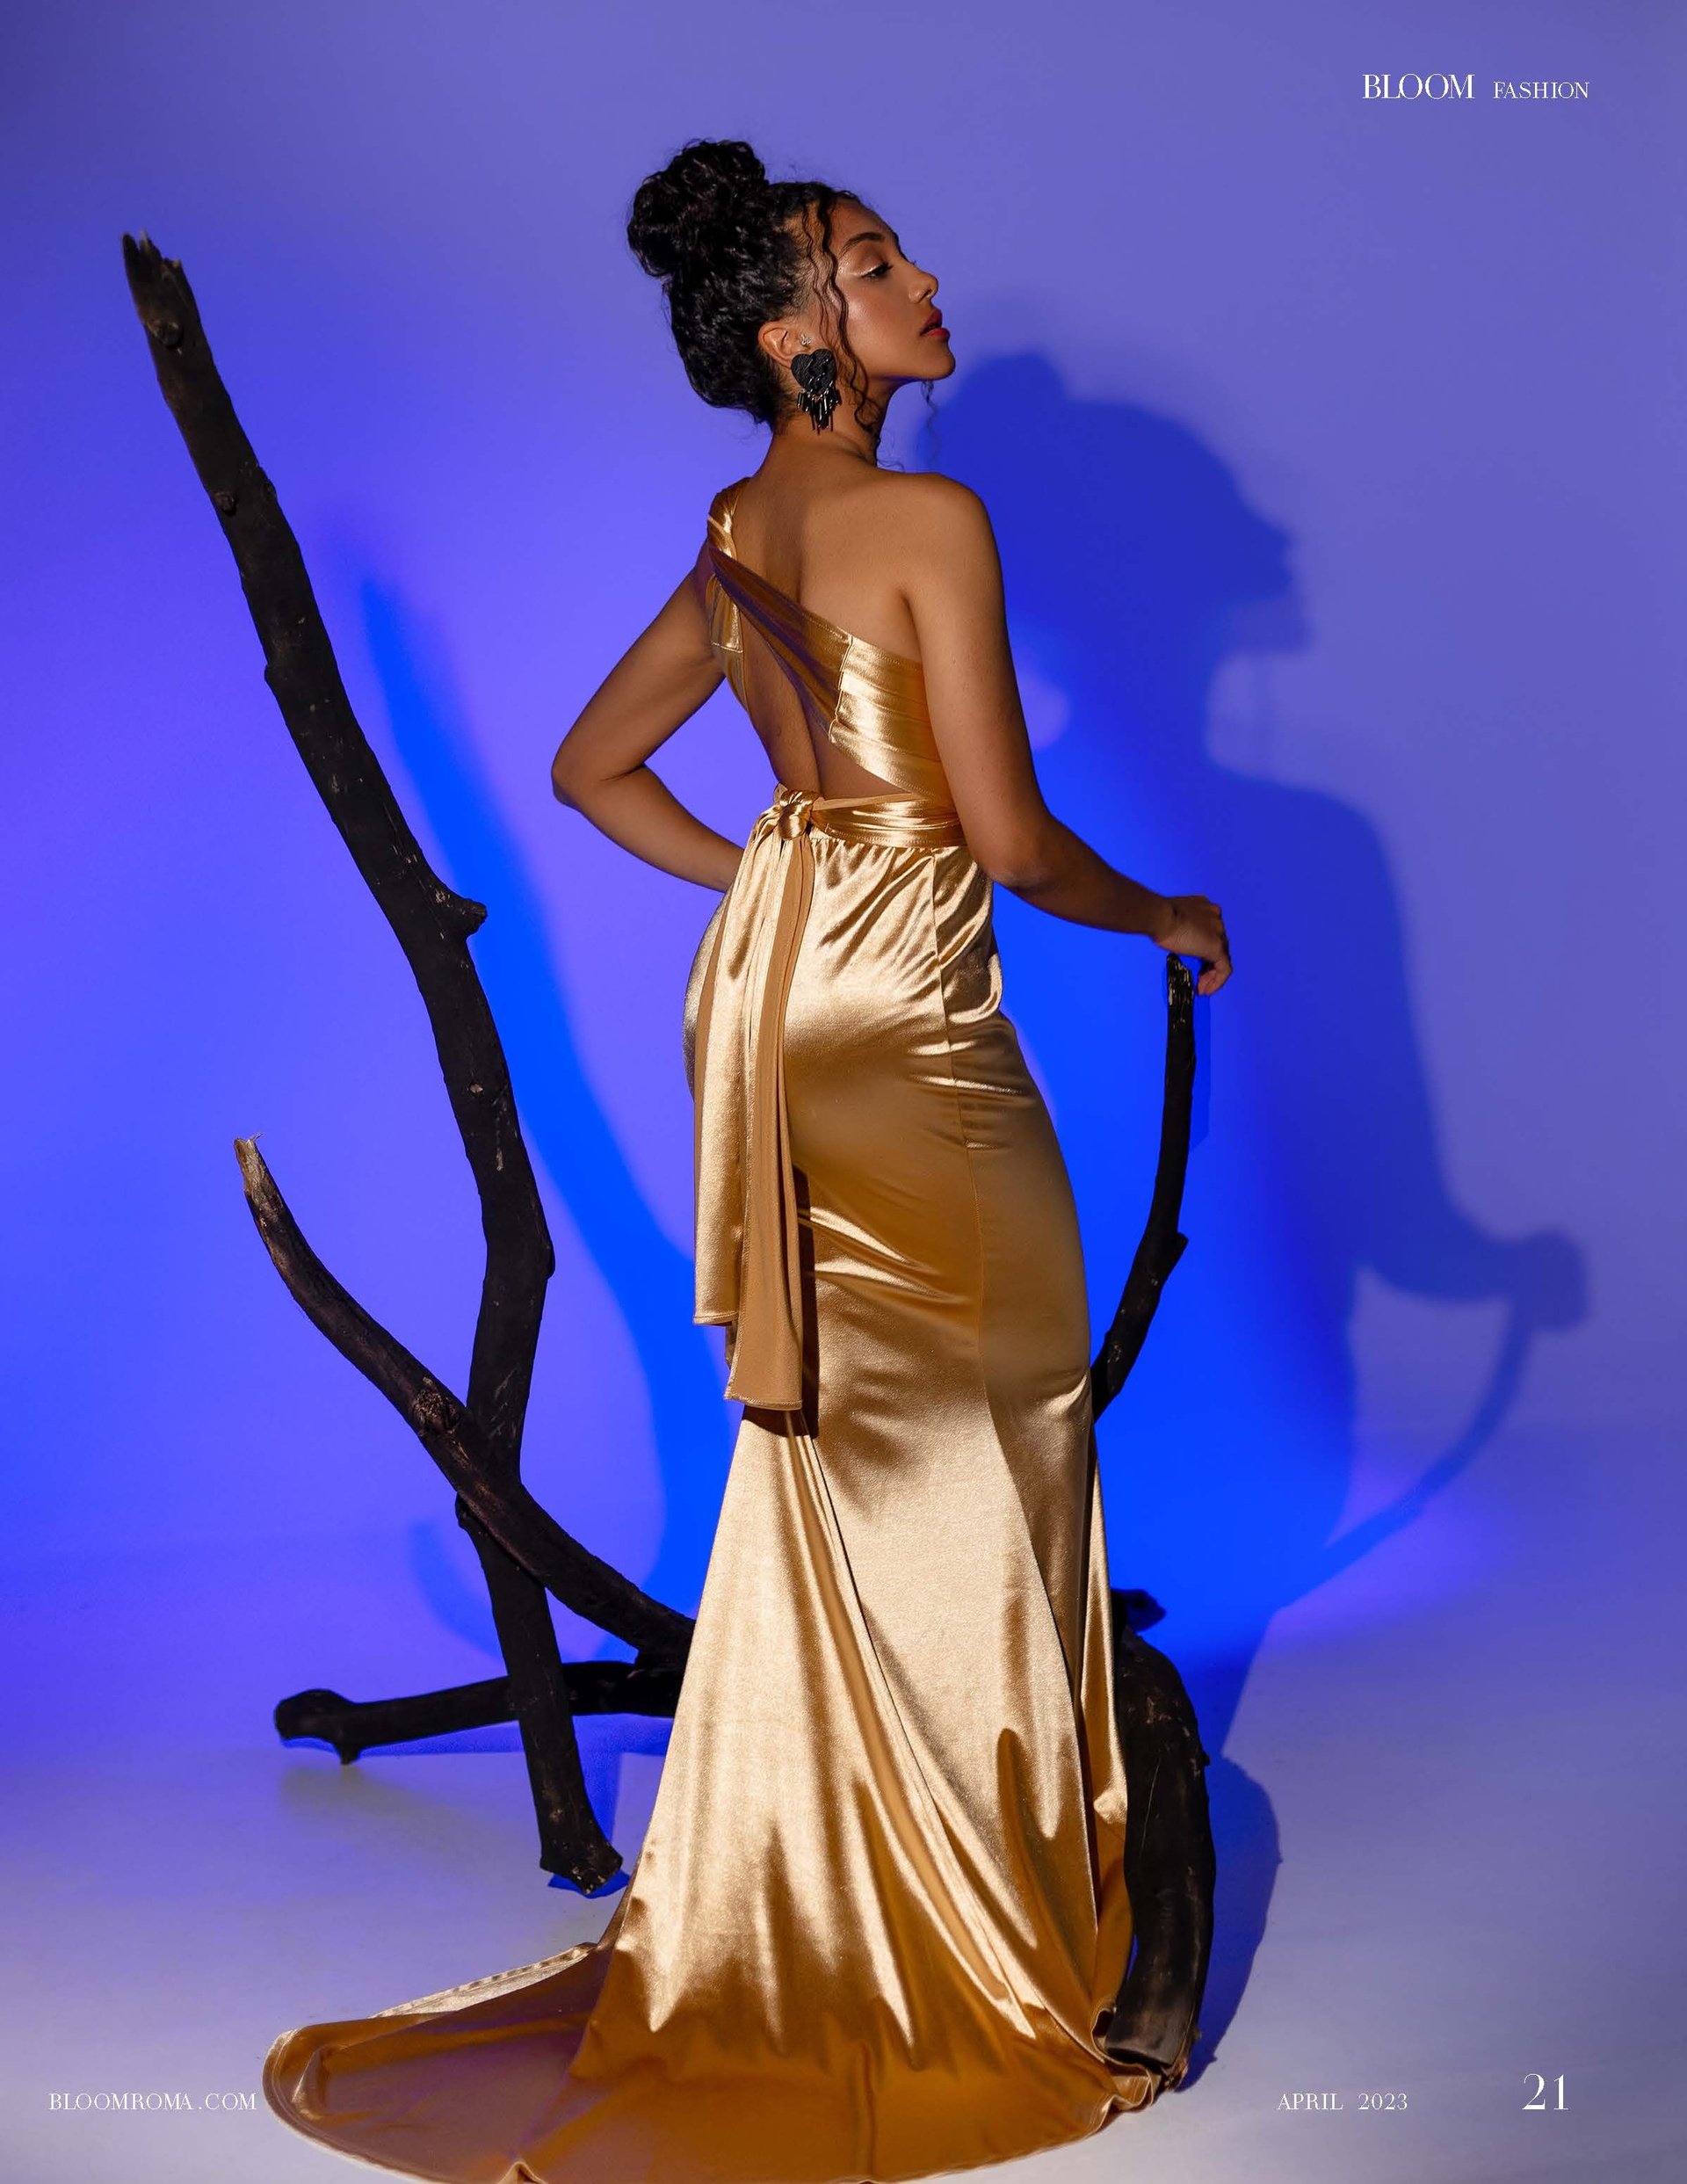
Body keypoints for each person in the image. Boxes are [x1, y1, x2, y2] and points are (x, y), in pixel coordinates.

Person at [264, 136, 1231, 2183]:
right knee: (1001, 1425)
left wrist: (775, 879)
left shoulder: (736, 527)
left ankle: (838, 1888)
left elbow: (587, 769)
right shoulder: (928, 519)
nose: (922, 278)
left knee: (843, 1444)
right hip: (910, 1030)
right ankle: (966, 1916)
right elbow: (1006, 838)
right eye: (874, 263)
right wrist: (1163, 910)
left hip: (785, 1022)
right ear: (800, 332)